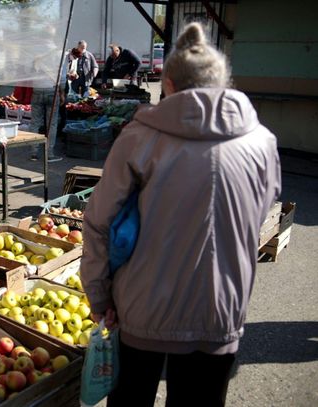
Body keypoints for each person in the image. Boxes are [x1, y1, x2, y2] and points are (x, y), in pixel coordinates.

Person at [81, 23, 281, 407]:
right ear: (223, 83)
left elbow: (98, 224)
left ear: (168, 83)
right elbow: (258, 214)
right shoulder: (263, 142)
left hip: (141, 309)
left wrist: (98, 296)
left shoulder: (140, 138)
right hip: (220, 310)